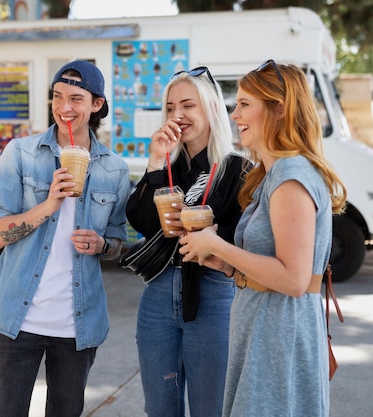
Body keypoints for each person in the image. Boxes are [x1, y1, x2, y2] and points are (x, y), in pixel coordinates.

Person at [179, 60, 347, 417]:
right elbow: (273, 267)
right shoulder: (271, 175)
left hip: (278, 336)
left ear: (279, 109)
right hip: (263, 332)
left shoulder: (290, 178)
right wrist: (225, 263)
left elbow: (294, 279)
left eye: (244, 104)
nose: (234, 113)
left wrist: (217, 244)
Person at [0, 60, 131, 417]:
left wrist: (101, 245)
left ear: (96, 105)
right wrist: (48, 205)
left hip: (77, 323)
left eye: (76, 99)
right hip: (17, 318)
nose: (65, 107)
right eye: (57, 96)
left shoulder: (115, 169)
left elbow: (117, 244)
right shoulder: (20, 153)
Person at [126, 66, 249, 417]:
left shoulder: (238, 170)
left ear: (210, 108)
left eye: (187, 106)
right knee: (160, 408)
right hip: (157, 297)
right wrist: (154, 160)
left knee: (211, 408)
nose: (177, 116)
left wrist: (210, 236)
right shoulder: (167, 166)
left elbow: (243, 238)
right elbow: (142, 222)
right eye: (169, 108)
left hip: (212, 295)